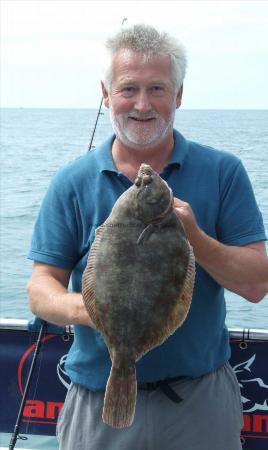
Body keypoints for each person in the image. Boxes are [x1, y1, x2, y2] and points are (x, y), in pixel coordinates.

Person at [27, 24, 268, 450]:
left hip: (199, 401)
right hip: (96, 395)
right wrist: (90, 310)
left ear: (178, 95)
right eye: (128, 89)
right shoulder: (72, 182)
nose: (142, 103)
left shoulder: (223, 172)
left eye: (157, 88)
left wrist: (193, 235)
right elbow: (40, 287)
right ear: (106, 94)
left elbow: (256, 284)